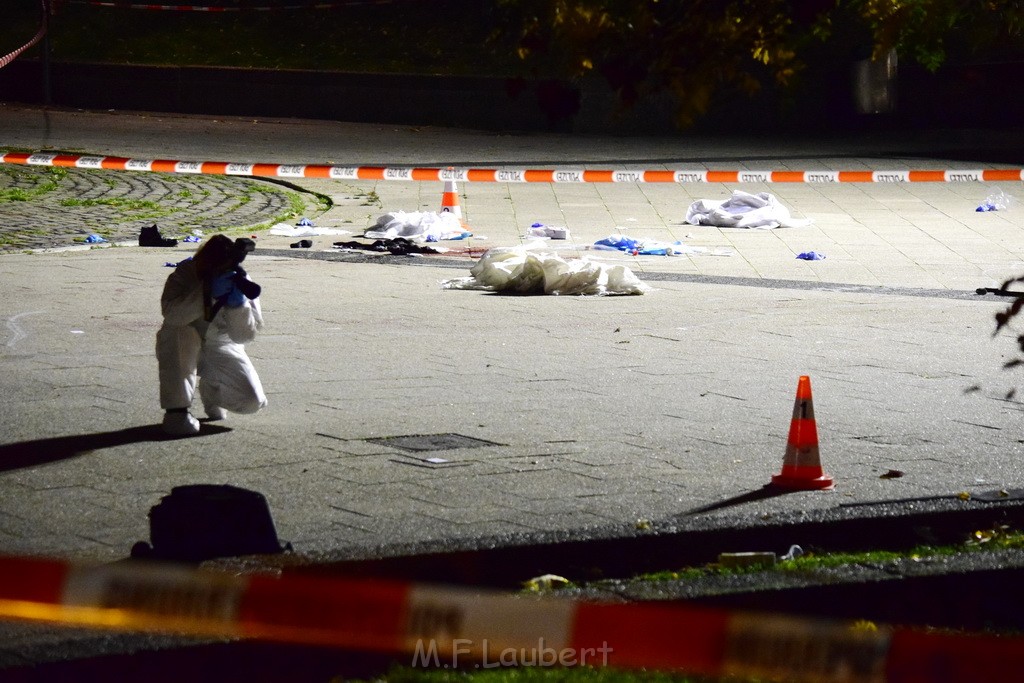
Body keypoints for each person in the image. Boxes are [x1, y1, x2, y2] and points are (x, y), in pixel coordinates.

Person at [156, 235, 267, 436]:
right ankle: (177, 411)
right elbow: (172, 315)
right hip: (185, 338)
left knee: (252, 402)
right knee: (177, 334)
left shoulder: (240, 279)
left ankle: (213, 392)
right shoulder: (184, 274)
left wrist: (237, 306)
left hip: (221, 344)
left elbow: (245, 336)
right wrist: (205, 294)